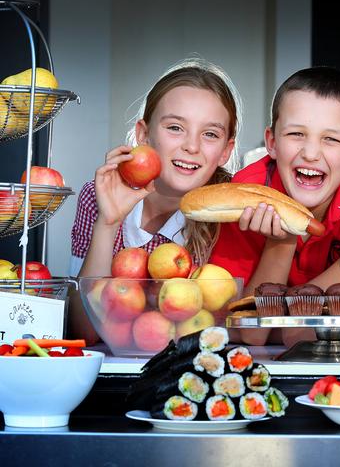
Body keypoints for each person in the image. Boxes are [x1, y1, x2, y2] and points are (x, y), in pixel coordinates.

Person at [209, 66, 340, 345]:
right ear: (272, 143)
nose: (310, 153)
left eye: (331, 139)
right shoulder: (244, 198)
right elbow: (250, 332)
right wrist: (281, 244)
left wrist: (286, 328)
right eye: (296, 134)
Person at [69, 58, 242, 342]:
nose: (192, 146)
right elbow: (84, 330)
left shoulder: (228, 216)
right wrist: (108, 222)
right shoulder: (98, 196)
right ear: (144, 134)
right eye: (175, 127)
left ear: (226, 150)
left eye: (210, 134)